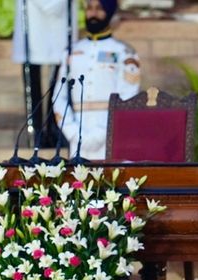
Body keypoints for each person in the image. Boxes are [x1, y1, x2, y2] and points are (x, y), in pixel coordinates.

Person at [53, 0, 141, 160]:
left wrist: (102, 132)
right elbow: (59, 96)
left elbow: (129, 97)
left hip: (113, 132)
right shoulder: (72, 51)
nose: (93, 13)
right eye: (89, 8)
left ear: (109, 12)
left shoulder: (124, 52)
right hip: (77, 133)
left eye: (99, 9)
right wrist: (72, 132)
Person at [12, 0, 78, 148]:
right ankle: (37, 132)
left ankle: (52, 130)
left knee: (59, 79)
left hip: (59, 21)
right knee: (34, 78)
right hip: (32, 19)